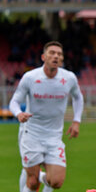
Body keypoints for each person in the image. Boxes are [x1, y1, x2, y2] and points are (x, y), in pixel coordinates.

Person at [9, 41, 84, 192]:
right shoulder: (30, 77)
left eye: (59, 54)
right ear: (43, 57)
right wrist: (19, 114)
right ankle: (34, 175)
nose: (56, 56)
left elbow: (78, 97)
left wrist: (76, 121)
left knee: (56, 182)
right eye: (52, 53)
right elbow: (14, 101)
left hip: (54, 136)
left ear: (62, 59)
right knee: (32, 183)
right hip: (31, 133)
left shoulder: (69, 78)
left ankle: (39, 175)